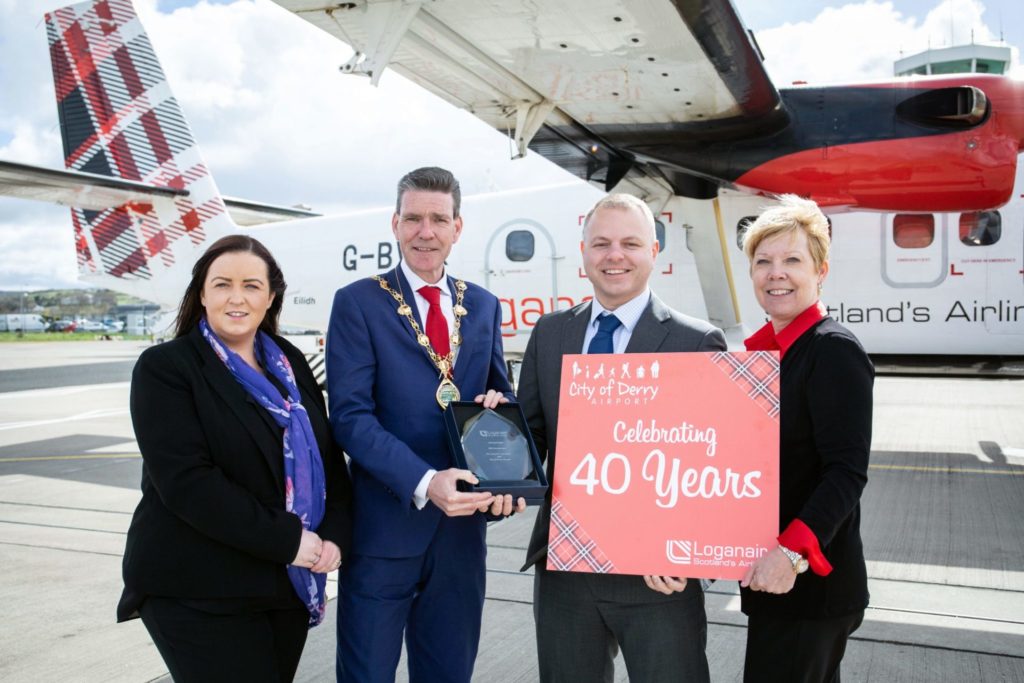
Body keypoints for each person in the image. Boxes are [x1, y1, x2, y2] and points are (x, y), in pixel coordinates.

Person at [118, 235, 353, 682]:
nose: (237, 297)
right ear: (202, 294)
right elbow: (187, 482)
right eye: (223, 284)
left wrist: (336, 536)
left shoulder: (291, 362)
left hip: (284, 585)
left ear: (271, 297)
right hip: (197, 587)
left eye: (251, 285)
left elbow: (327, 461)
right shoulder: (167, 367)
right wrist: (288, 540)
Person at [518, 193, 726, 683]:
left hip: (657, 578)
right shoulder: (550, 334)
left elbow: (717, 466)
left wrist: (690, 552)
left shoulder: (696, 342)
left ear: (654, 251)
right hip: (566, 573)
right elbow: (530, 440)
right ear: (584, 252)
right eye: (602, 243)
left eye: (631, 243)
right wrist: (489, 429)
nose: (615, 255)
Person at [327, 167, 524, 683]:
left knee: (449, 673)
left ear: (458, 228)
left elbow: (499, 397)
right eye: (413, 218)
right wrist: (424, 481)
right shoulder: (358, 302)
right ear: (395, 224)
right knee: (366, 673)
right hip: (385, 531)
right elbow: (348, 417)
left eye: (438, 219)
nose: (425, 231)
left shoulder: (482, 304)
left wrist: (506, 470)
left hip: (461, 538)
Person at [739, 195, 873, 682]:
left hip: (807, 584)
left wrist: (790, 554)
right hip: (778, 582)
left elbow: (846, 472)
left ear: (821, 270)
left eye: (792, 260)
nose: (776, 273)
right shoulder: (766, 357)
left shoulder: (831, 351)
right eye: (763, 262)